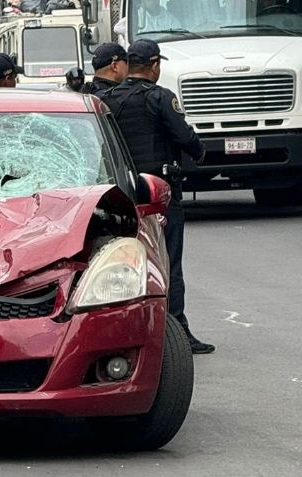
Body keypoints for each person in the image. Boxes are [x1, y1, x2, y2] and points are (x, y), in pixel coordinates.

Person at [99, 39, 215, 354]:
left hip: (116, 199)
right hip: (159, 196)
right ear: (154, 66)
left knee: (119, 266)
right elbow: (185, 137)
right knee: (168, 263)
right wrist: (200, 152)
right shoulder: (160, 98)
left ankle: (120, 332)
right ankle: (177, 333)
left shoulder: (105, 99)